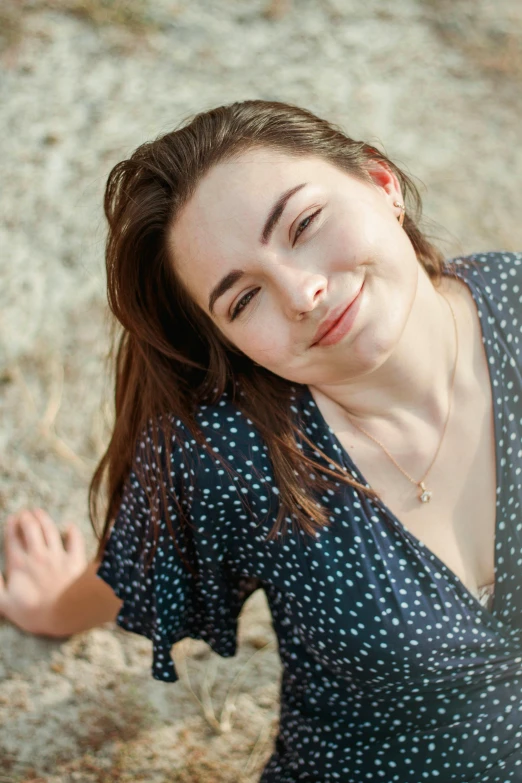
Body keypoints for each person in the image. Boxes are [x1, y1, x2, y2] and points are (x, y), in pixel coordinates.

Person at [1, 99, 521, 782]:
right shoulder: (232, 455)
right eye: (243, 299)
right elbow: (153, 558)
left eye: (305, 223)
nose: (302, 292)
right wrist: (58, 605)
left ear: (380, 182)